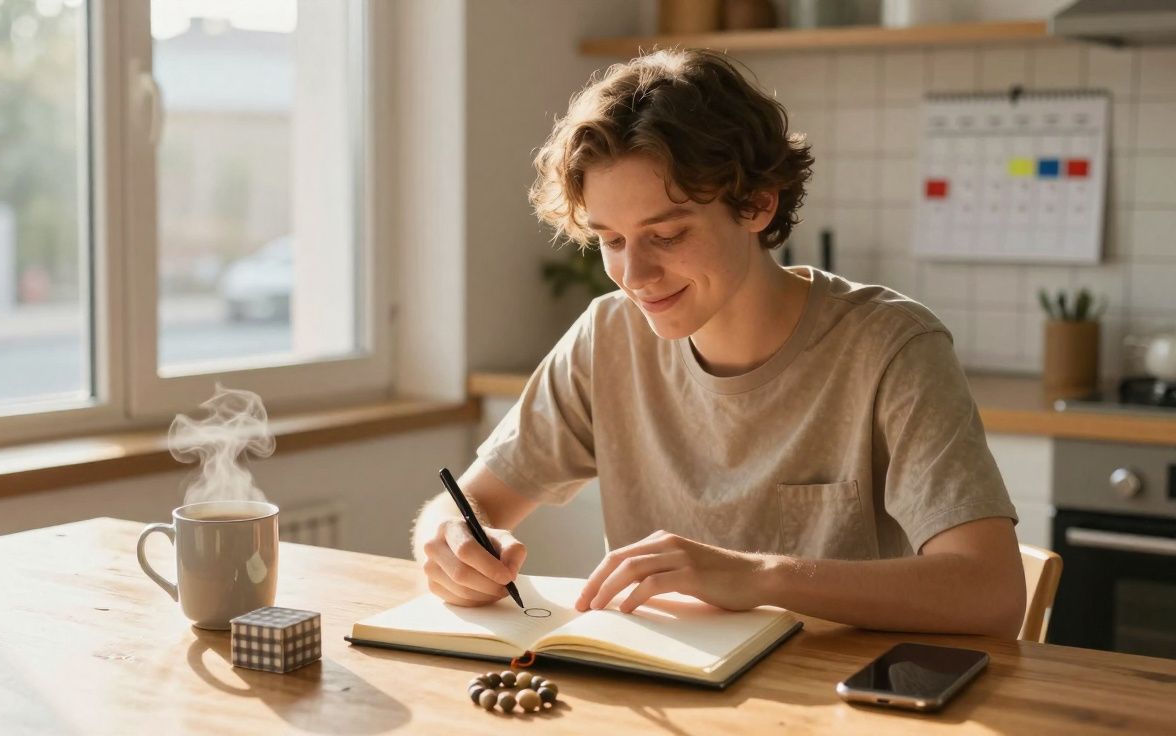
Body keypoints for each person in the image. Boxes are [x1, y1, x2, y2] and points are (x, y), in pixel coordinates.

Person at [411, 48, 1025, 638]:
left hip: (832, 692)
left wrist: (760, 576)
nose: (635, 276)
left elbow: (991, 592)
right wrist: (450, 542)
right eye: (612, 241)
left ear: (756, 204)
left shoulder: (893, 347)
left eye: (667, 235)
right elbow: (465, 505)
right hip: (662, 684)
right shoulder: (607, 337)